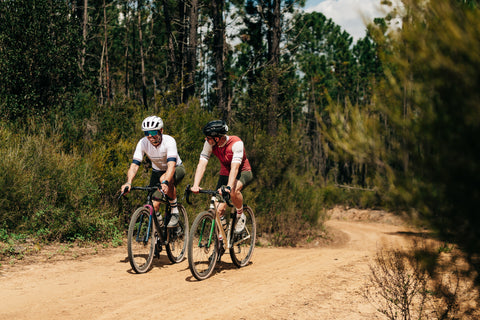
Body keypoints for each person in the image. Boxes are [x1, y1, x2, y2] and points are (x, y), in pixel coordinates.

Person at [191, 120, 253, 239]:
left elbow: (235, 168)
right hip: (225, 174)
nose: (206, 140)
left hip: (242, 172)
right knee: (217, 209)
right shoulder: (209, 144)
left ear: (218, 138)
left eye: (208, 137)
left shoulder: (236, 143)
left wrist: (229, 187)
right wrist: (195, 185)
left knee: (234, 190)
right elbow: (202, 164)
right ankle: (221, 239)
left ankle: (240, 214)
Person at [121, 116, 185, 227]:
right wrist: (129, 182)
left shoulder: (169, 141)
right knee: (154, 205)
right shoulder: (142, 143)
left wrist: (165, 182)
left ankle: (174, 211)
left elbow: (171, 166)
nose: (150, 136)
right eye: (146, 133)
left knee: (164, 179)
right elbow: (135, 165)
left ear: (161, 130)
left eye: (153, 132)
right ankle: (160, 231)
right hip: (157, 172)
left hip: (176, 169)